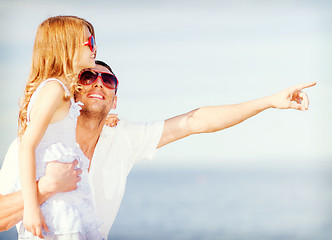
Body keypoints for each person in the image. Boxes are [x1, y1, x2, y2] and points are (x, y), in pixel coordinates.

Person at [0, 59, 316, 239]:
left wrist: (269, 102)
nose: (99, 82)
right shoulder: (32, 143)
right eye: (88, 75)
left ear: (114, 97)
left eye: (108, 80)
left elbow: (196, 121)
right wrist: (45, 188)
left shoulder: (122, 137)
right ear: (75, 89)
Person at [15, 15, 103, 239]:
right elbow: (26, 147)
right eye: (89, 42)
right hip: (55, 207)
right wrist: (31, 208)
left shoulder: (63, 91)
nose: (95, 48)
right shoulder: (54, 89)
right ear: (67, 47)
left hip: (67, 198)